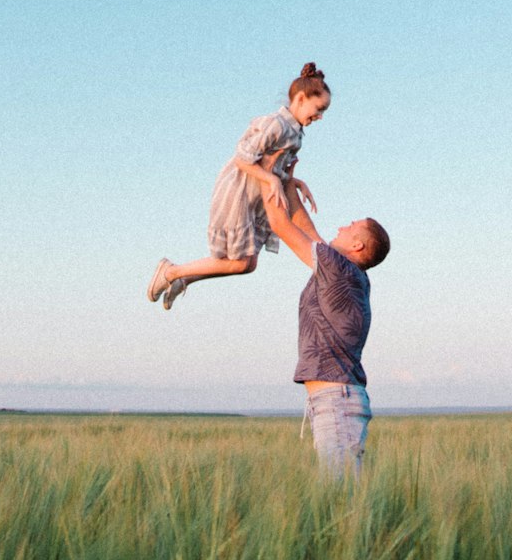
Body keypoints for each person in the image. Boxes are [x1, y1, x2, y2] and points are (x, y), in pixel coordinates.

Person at [147, 63, 330, 310]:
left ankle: (182, 277)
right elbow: (242, 159)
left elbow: (272, 167)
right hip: (240, 192)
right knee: (241, 263)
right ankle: (171, 272)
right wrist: (272, 179)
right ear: (300, 98)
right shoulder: (276, 124)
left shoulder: (295, 133)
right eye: (319, 109)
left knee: (246, 264)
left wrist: (294, 181)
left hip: (257, 195)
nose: (320, 116)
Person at [262, 190, 390, 478]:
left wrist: (265, 174)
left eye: (351, 226)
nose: (342, 227)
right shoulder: (347, 272)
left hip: (336, 401)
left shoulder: (339, 270)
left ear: (357, 244)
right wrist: (289, 182)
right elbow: (306, 230)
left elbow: (281, 225)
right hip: (335, 400)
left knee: (339, 501)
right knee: (339, 499)